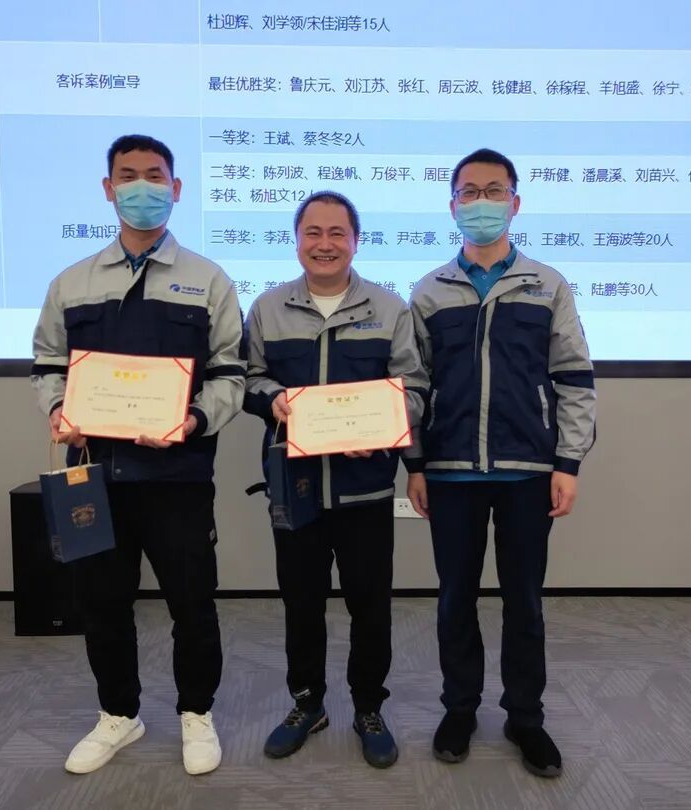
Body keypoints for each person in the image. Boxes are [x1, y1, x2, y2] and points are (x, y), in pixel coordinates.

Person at [30, 134, 245, 776]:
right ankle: (118, 714)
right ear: (108, 188)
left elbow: (230, 373)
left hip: (177, 475)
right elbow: (47, 363)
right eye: (129, 176)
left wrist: (194, 418)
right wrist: (58, 410)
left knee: (192, 603)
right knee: (101, 604)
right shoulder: (71, 283)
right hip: (94, 477)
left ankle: (196, 713)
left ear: (176, 189)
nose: (142, 187)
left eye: (155, 176)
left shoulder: (208, 280)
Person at [407, 148, 597, 777]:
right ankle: (459, 709)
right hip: (450, 473)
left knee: (525, 602)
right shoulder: (429, 291)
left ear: (515, 203)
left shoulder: (548, 285)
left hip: (528, 473)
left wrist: (568, 462)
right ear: (452, 205)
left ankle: (525, 718)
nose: (480, 202)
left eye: (493, 191)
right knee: (454, 599)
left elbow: (574, 378)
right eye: (469, 191)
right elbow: (414, 384)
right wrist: (414, 463)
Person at [243, 191, 428, 768]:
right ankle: (308, 704)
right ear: (297, 240)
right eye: (313, 233)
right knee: (301, 604)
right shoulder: (267, 308)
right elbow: (249, 378)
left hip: (364, 489)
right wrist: (273, 399)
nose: (325, 244)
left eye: (337, 233)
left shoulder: (390, 309)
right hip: (295, 490)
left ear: (356, 241)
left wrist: (387, 424)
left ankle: (369, 707)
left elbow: (415, 389)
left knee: (370, 607)